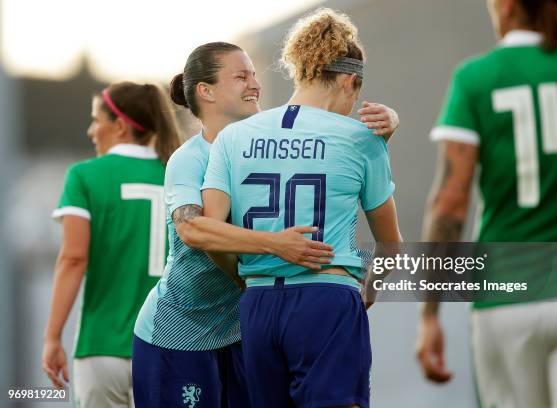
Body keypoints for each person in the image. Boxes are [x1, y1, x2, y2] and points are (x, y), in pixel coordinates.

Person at [132, 41, 400, 407]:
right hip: (180, 330)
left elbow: (328, 142)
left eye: (254, 74)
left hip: (243, 326)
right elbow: (193, 230)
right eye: (241, 77)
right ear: (205, 91)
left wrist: (387, 124)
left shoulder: (265, 137)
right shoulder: (189, 159)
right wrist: (275, 244)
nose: (255, 84)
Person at [198, 9, 402, 408]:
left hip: (258, 305)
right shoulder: (363, 138)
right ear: (349, 80)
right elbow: (391, 245)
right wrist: (369, 290)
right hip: (327, 299)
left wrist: (244, 280)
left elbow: (211, 234)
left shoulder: (232, 137)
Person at [416, 0, 557, 407]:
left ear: (506, 6)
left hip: (509, 293)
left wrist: (430, 314)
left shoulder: (477, 76)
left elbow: (450, 206)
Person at [42, 82, 181, 407]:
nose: (91, 130)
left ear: (119, 126)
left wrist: (52, 337)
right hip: (172, 346)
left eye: (96, 119)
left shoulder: (85, 175)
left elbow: (73, 259)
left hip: (103, 347)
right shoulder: (181, 172)